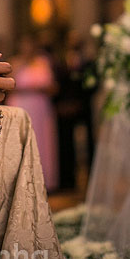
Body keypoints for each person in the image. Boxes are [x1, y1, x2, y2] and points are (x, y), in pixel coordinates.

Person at [5, 34, 59, 191]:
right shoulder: (15, 62)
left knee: (41, 140)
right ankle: (22, 180)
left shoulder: (43, 62)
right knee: (22, 140)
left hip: (40, 107)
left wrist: (41, 88)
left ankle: (45, 179)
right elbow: (8, 85)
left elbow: (52, 86)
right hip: (21, 104)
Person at [54, 32, 97, 191]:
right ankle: (68, 180)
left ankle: (92, 178)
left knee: (89, 142)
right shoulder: (60, 61)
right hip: (64, 108)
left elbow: (93, 85)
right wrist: (62, 103)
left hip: (82, 107)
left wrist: (79, 102)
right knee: (65, 144)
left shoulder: (89, 63)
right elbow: (57, 83)